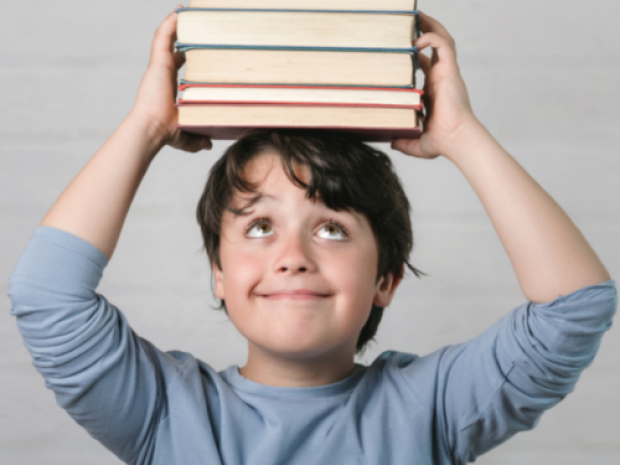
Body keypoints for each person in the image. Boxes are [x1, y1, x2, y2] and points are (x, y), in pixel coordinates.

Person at [8, 7, 616, 465]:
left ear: (385, 280)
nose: (292, 258)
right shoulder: (162, 411)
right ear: (218, 272)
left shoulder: (432, 408)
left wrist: (461, 135)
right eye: (260, 226)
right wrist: (145, 125)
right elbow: (47, 295)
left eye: (331, 228)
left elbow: (574, 308)